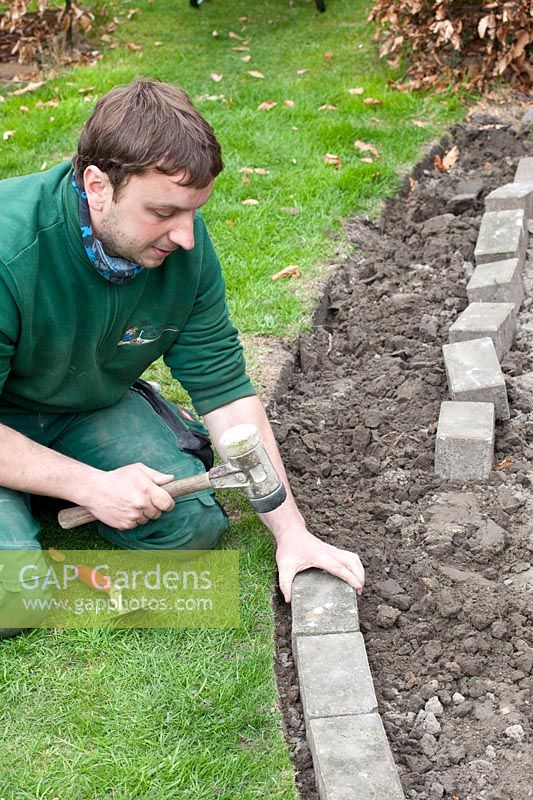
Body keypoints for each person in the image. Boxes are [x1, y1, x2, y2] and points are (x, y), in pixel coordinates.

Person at [0, 78, 364, 638]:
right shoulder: (10, 249)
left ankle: (30, 500)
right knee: (14, 598)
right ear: (97, 185)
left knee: (191, 527)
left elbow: (227, 391)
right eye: (164, 212)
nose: (186, 236)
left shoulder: (183, 252)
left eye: (194, 212)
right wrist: (90, 486)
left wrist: (292, 532)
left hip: (85, 404)